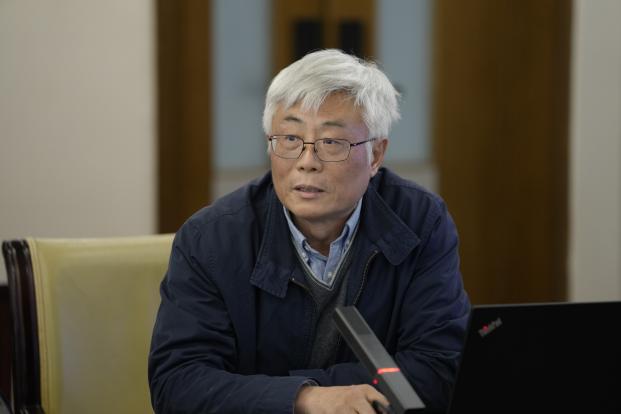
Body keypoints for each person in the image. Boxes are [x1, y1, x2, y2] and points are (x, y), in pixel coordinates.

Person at [148, 49, 470, 414]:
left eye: (331, 142)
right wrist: (305, 399)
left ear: (376, 155)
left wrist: (270, 389)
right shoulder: (210, 239)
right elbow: (177, 385)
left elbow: (440, 368)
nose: (306, 162)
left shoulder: (420, 221)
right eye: (289, 139)